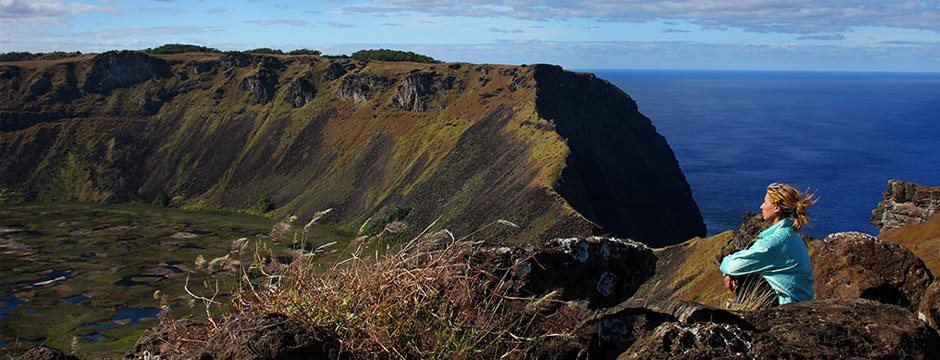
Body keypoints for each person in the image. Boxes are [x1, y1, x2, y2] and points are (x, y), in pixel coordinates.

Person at [720, 182, 817, 305]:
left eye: (765, 203)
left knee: (744, 272)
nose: (762, 206)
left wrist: (729, 271)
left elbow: (733, 267)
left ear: (776, 207)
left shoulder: (775, 242)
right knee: (744, 263)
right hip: (798, 300)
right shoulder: (790, 234)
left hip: (787, 305)